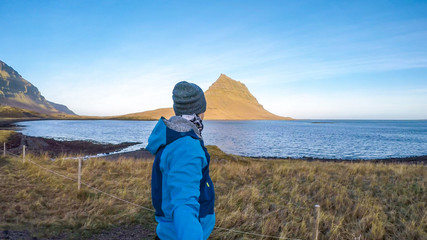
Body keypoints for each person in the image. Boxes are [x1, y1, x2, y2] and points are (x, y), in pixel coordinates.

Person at [146, 81, 215, 240]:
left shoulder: (175, 137)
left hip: (171, 232)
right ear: (199, 111)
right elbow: (184, 205)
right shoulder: (186, 146)